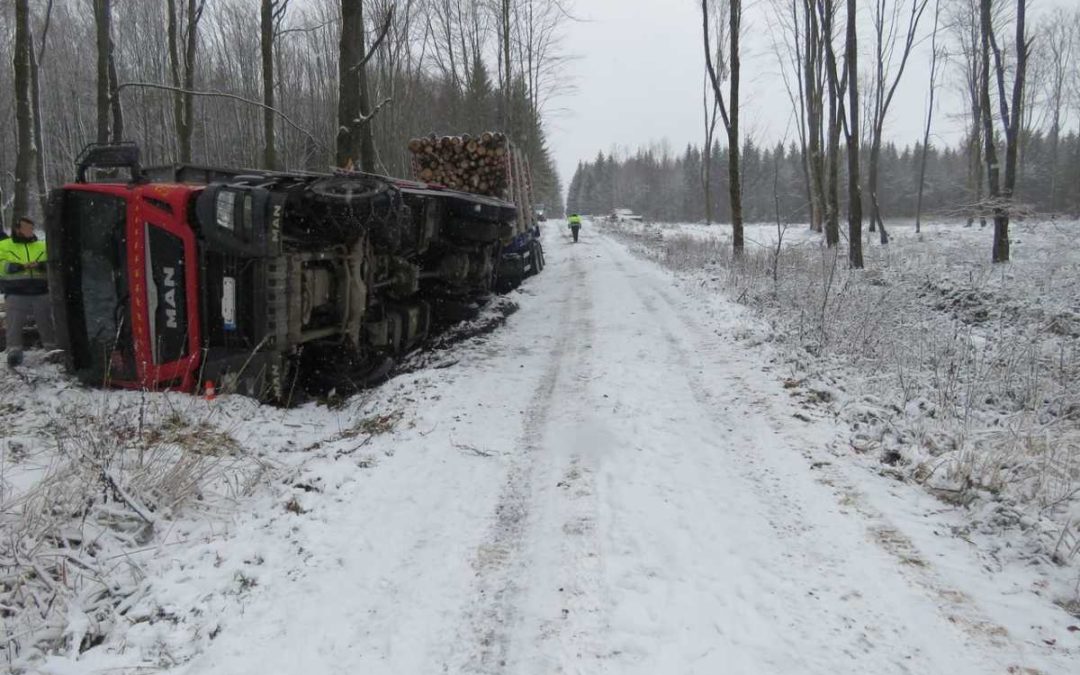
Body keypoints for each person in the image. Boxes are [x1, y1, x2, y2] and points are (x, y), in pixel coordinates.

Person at [0, 217, 57, 367]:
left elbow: (53, 262)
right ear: (18, 229)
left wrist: (40, 266)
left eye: (32, 228)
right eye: (27, 228)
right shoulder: (4, 245)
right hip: (16, 292)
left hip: (41, 291)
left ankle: (52, 351)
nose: (30, 231)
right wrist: (17, 266)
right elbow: (1, 265)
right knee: (14, 325)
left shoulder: (42, 245)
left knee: (46, 323)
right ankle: (14, 353)